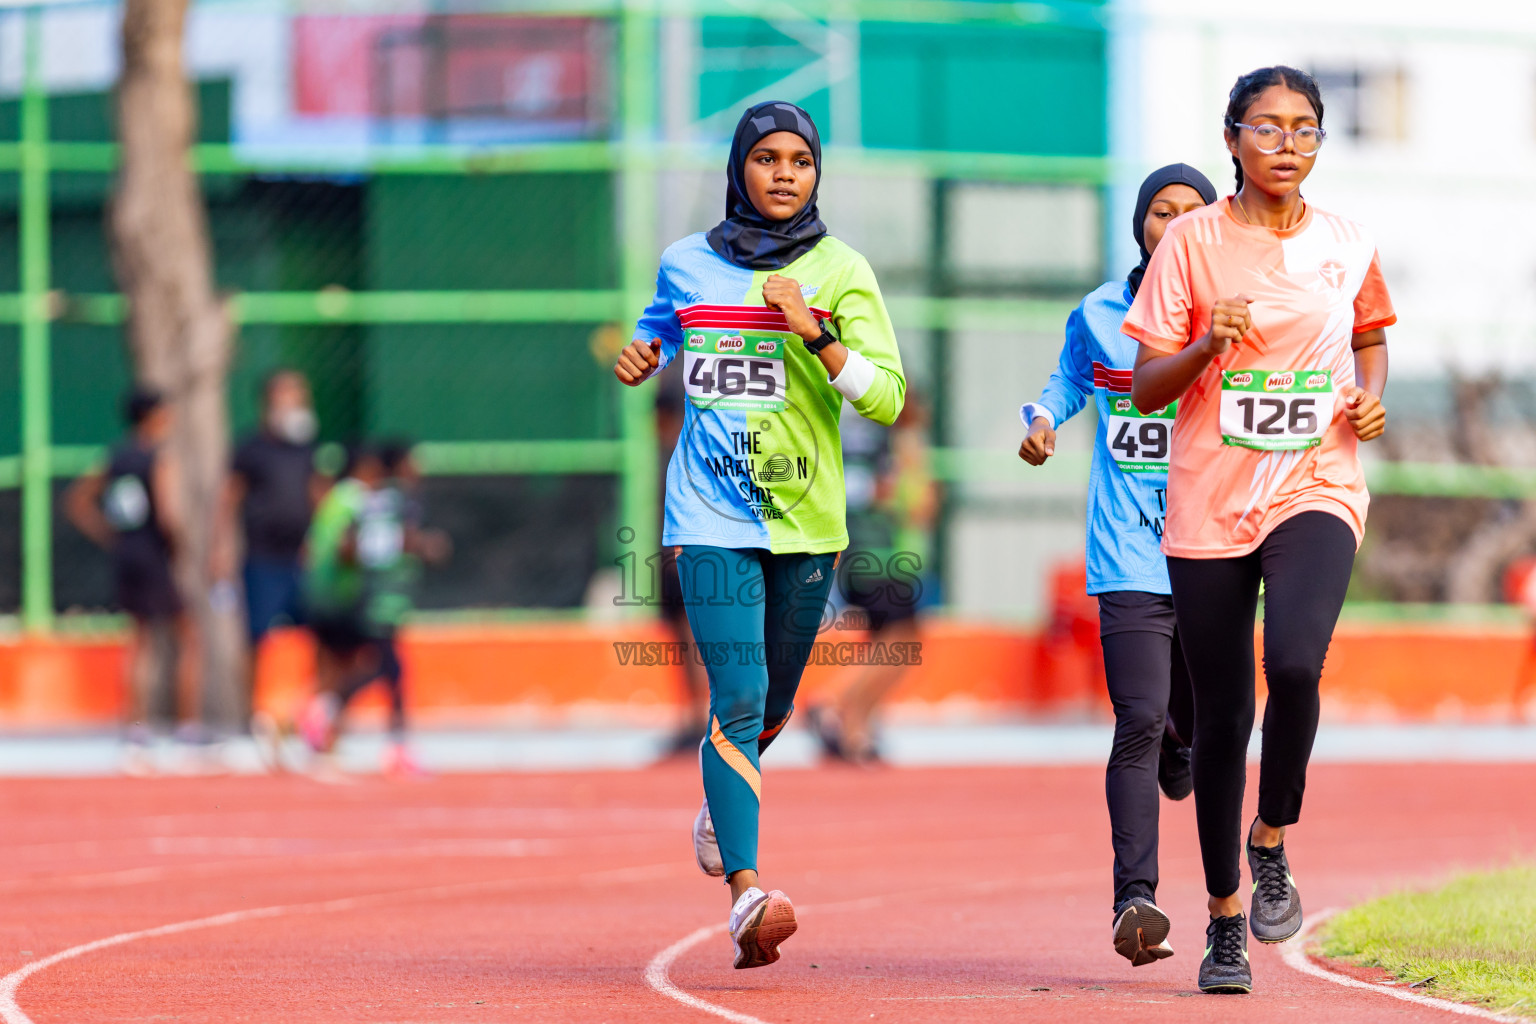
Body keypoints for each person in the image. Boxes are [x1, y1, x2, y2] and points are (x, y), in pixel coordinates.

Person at [613, 101, 905, 969]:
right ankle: (747, 892)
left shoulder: (842, 268)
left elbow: (887, 396)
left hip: (807, 522)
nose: (784, 173)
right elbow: (664, 322)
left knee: (772, 706)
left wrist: (816, 333)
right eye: (767, 158)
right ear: (738, 167)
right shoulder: (686, 263)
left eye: (801, 161)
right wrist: (642, 349)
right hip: (706, 514)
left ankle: (719, 798)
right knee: (737, 700)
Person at [1125, 66, 1394, 995]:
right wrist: (1206, 344)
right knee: (1224, 716)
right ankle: (1226, 919)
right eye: (1268, 128)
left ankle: (1272, 833)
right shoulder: (1191, 243)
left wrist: (1372, 399)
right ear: (1232, 137)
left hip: (1317, 480)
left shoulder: (1349, 241)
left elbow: (1372, 336)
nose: (1289, 144)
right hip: (1209, 496)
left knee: (1296, 664)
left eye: (1306, 128)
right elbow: (1145, 385)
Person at [1018, 163, 1215, 966]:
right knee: (1135, 717)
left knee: (1199, 727)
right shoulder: (1102, 314)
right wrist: (1042, 418)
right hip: (1128, 554)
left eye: (1190, 212)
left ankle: (1184, 741)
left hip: (1213, 550)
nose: (1173, 224)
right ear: (1141, 226)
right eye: (1159, 212)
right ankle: (1135, 900)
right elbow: (1067, 379)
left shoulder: (1235, 319)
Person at [66, 388, 200, 773]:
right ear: (154, 416)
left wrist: (113, 536)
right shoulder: (159, 456)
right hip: (155, 556)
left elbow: (79, 501)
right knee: (186, 637)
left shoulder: (117, 455)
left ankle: (136, 734)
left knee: (139, 644)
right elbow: (168, 513)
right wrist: (181, 548)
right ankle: (186, 732)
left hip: (129, 556)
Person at [295, 442, 447, 777]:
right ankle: (384, 741)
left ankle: (324, 723)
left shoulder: (345, 499)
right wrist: (412, 547)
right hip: (365, 601)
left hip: (341, 598)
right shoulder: (374, 501)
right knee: (387, 669)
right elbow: (350, 547)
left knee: (362, 669)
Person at [806, 393, 937, 764]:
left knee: (889, 644)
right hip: (879, 558)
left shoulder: (862, 440)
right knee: (900, 641)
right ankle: (833, 700)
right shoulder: (887, 443)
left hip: (868, 556)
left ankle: (855, 728)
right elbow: (917, 506)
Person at [214, 369, 324, 722]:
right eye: (288, 397)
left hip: (303, 559)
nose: (296, 405)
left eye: (300, 397)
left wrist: (321, 545)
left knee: (320, 636)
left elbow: (319, 497)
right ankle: (252, 716)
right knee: (256, 639)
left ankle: (315, 715)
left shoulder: (310, 449)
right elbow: (228, 499)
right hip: (262, 558)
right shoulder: (250, 448)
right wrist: (220, 549)